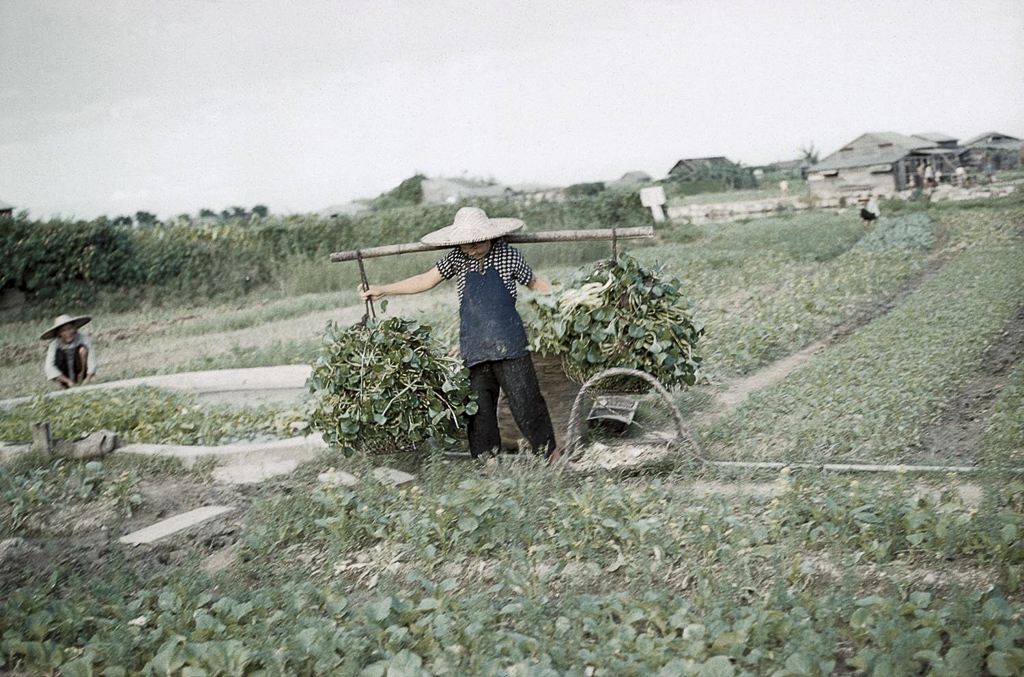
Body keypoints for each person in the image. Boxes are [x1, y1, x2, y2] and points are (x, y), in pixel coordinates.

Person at [359, 207, 558, 460]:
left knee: (527, 404)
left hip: (510, 345)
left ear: (490, 237)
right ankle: (487, 465)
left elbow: (534, 283)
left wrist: (561, 299)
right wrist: (384, 290)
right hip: (474, 347)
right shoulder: (456, 259)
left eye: (476, 243)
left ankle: (552, 457)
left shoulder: (509, 256)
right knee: (479, 411)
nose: (471, 249)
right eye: (465, 245)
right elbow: (425, 280)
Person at [41, 314, 97, 388]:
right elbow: (49, 366)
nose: (68, 332)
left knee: (83, 350)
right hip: (64, 374)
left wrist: (88, 378)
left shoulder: (83, 338)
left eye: (70, 328)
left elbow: (92, 359)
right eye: (64, 330)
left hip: (79, 371)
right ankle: (62, 385)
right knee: (58, 354)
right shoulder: (54, 344)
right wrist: (68, 381)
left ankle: (80, 380)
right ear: (59, 333)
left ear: (75, 328)